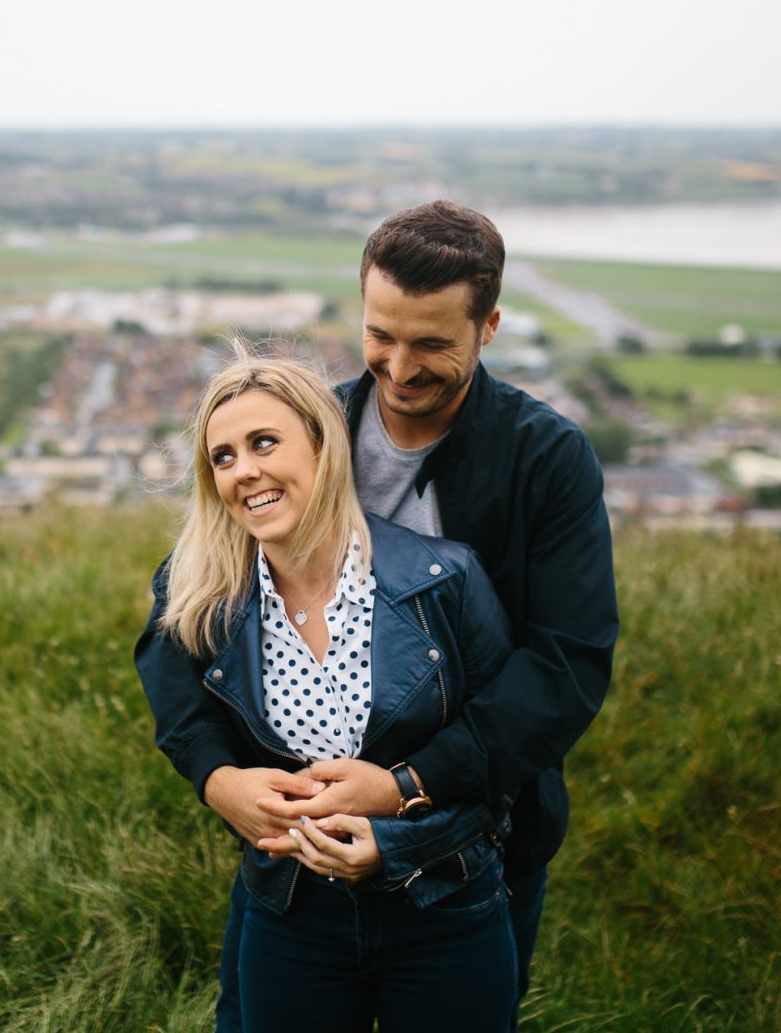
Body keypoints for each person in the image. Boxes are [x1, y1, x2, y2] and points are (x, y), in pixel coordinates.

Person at [135, 200, 618, 1030]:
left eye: (432, 342)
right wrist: (220, 779)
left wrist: (405, 789)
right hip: (295, 863)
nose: (399, 367)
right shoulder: (307, 432)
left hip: (478, 830)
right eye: (379, 334)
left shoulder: (545, 458)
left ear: (489, 324)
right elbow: (179, 620)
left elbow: (565, 667)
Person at [139, 351, 521, 1031]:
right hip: (291, 912)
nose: (244, 469)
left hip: (444, 903)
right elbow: (181, 713)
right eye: (222, 457)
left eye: (263, 442)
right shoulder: (202, 593)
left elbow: (503, 759)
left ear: (323, 446)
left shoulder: (445, 579)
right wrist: (219, 781)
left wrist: (397, 840)